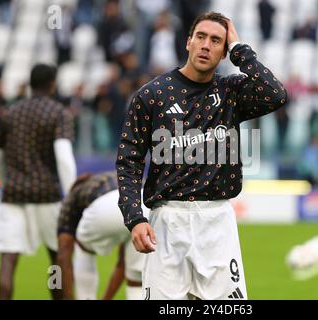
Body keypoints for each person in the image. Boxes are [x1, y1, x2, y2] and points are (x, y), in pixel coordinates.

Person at [116, 12, 288, 300]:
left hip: (217, 223)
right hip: (168, 222)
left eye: (216, 41)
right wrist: (134, 218)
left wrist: (239, 50)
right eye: (201, 37)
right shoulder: (152, 95)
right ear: (188, 42)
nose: (206, 45)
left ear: (223, 52)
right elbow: (129, 160)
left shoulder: (231, 91)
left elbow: (275, 94)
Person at [0, 64, 77, 300]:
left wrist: (5, 183)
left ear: (30, 83)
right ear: (52, 84)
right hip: (47, 195)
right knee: (56, 260)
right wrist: (70, 195)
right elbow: (64, 158)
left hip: (13, 194)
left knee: (8, 260)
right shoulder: (59, 113)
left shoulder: (11, 112)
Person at [57, 172, 145, 300]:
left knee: (83, 247)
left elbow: (63, 252)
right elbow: (122, 263)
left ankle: (85, 297)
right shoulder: (109, 177)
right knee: (135, 279)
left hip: (104, 204)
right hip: (142, 204)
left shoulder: (73, 194)